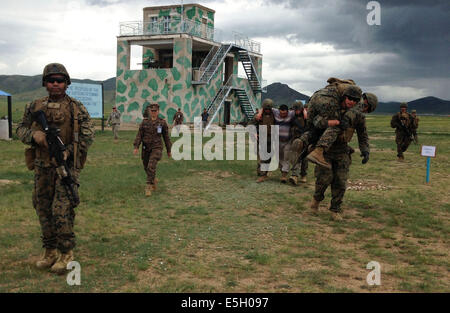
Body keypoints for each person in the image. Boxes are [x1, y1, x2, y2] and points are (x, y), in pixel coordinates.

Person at [16, 63, 94, 274]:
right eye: (51, 80)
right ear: (45, 83)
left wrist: (67, 151)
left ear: (66, 83)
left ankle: (66, 253)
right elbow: (20, 128)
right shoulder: (34, 106)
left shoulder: (76, 108)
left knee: (61, 209)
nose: (56, 84)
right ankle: (49, 251)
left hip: (65, 168)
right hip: (42, 167)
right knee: (42, 208)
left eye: (60, 80)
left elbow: (88, 135)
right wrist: (34, 136)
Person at [310, 101, 370, 221]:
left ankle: (335, 209)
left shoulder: (359, 118)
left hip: (343, 150)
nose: (363, 108)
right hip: (326, 150)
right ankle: (316, 201)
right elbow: (317, 123)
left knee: (341, 181)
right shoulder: (334, 110)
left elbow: (362, 134)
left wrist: (365, 150)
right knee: (324, 179)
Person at [296, 79, 363, 169]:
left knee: (314, 128)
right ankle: (317, 151)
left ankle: (303, 140)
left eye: (355, 100)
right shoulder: (351, 98)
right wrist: (343, 121)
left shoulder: (334, 87)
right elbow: (323, 122)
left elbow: (315, 120)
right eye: (350, 99)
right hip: (325, 105)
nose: (352, 102)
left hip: (314, 102)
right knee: (336, 124)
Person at [133, 103, 172, 196]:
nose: (153, 113)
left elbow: (166, 137)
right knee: (146, 167)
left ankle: (148, 186)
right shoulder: (144, 122)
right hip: (146, 148)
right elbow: (139, 135)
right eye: (152, 111)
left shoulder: (162, 123)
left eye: (155, 111)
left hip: (157, 147)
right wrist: (136, 147)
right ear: (150, 111)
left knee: (151, 165)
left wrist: (169, 150)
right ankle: (153, 179)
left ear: (158, 111)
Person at [252, 98, 275, 183]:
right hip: (261, 138)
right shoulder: (258, 115)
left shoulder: (275, 114)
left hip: (270, 138)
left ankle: (264, 173)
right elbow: (250, 124)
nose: (268, 110)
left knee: (268, 156)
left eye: (269, 109)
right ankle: (262, 173)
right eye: (266, 109)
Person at [288, 101, 309, 185]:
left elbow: (308, 128)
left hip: (304, 140)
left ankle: (303, 175)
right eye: (295, 110)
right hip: (294, 140)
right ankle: (294, 176)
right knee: (296, 158)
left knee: (304, 159)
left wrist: (306, 117)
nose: (296, 111)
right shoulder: (292, 117)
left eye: (298, 110)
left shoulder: (306, 117)